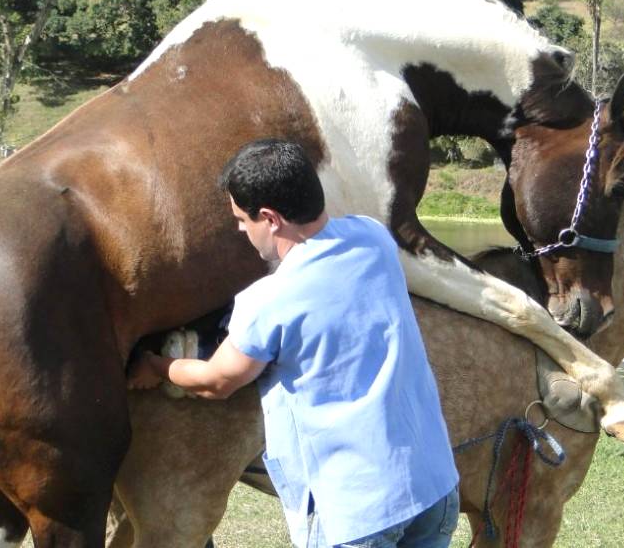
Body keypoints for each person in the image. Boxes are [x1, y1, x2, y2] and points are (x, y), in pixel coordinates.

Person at [128, 139, 459, 548]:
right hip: (433, 486)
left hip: (358, 512)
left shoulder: (269, 300)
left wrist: (156, 366)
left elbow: (218, 381)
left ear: (269, 218)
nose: (239, 228)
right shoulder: (373, 238)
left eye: (241, 219)